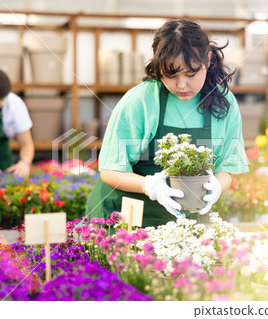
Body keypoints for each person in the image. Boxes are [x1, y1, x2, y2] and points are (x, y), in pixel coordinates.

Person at [86, 19, 249, 227]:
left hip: (178, 223)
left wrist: (216, 185)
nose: (182, 85)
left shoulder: (223, 104)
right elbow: (110, 171)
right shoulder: (142, 100)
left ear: (207, 59)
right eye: (170, 74)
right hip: (122, 216)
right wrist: (149, 185)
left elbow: (226, 166)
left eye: (191, 73)